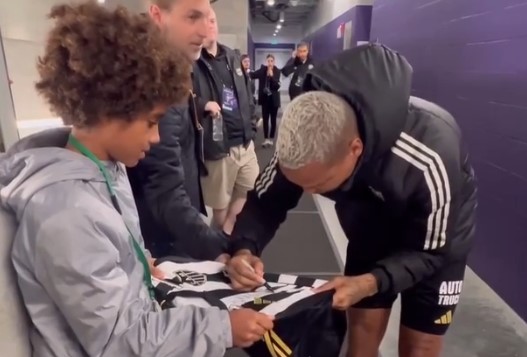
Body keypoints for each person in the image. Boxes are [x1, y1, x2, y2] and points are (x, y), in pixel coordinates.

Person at [0, 3, 273, 356]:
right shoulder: (67, 214)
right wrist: (221, 328)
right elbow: (118, 340)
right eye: (151, 121)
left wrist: (138, 262)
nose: (157, 137)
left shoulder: (104, 170)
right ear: (111, 111)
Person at [225, 44, 477, 357]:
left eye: (319, 185)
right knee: (360, 335)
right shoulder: (305, 144)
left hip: (433, 241)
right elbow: (265, 203)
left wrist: (372, 282)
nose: (312, 193)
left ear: (354, 148)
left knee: (419, 347)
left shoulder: (431, 154)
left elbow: (431, 251)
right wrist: (244, 247)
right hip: (370, 228)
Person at [127, 0, 229, 260]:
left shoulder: (175, 68)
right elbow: (163, 187)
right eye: (192, 17)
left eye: (207, 18)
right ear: (157, 14)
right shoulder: (153, 82)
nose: (205, 32)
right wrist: (221, 249)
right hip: (165, 244)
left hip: (176, 228)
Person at [195, 9, 259, 234]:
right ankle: (220, 248)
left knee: (249, 190)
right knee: (220, 208)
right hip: (219, 148)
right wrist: (204, 104)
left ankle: (227, 233)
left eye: (212, 20)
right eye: (202, 21)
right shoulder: (193, 62)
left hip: (245, 143)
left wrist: (252, 123)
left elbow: (247, 94)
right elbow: (181, 99)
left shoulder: (232, 56)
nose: (208, 25)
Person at [251, 54, 281, 148]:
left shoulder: (277, 71)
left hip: (274, 100)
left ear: (274, 62)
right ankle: (266, 139)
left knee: (273, 120)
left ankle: (271, 139)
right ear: (266, 61)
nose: (270, 63)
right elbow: (253, 75)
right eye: (268, 61)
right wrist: (246, 70)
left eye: (272, 61)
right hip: (265, 100)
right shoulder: (262, 70)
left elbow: (276, 86)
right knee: (265, 120)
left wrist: (271, 77)